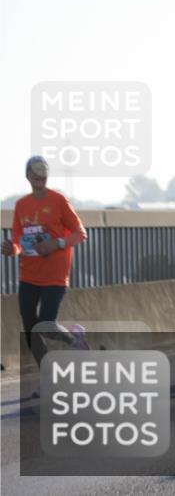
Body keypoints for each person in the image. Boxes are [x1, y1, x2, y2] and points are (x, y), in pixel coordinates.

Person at [1, 156, 89, 371]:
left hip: (55, 275)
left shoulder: (59, 200)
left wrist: (57, 243)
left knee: (46, 326)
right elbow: (19, 240)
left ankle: (74, 339)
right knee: (31, 329)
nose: (40, 177)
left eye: (44, 173)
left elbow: (80, 234)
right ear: (28, 176)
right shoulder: (21, 205)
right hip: (29, 276)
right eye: (36, 173)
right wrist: (11, 249)